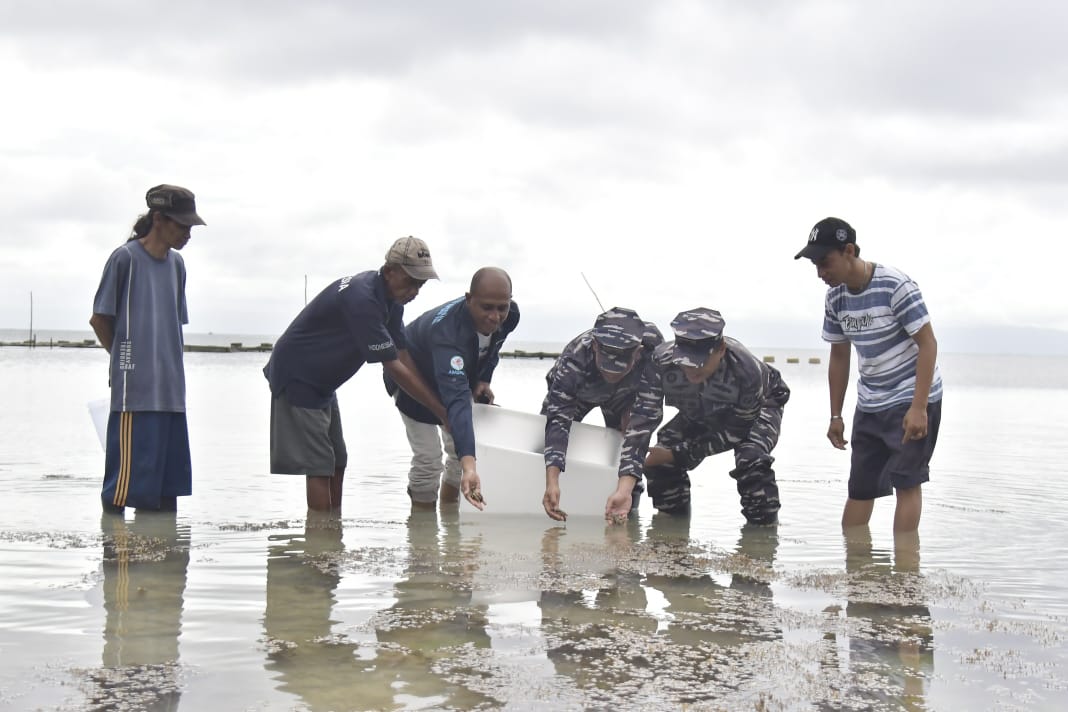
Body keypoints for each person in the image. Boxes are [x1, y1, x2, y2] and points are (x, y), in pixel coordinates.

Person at [264, 237, 449, 513]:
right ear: (389, 272)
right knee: (318, 465)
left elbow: (403, 355)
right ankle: (320, 541)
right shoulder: (362, 298)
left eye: (420, 284)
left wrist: (439, 400)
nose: (415, 291)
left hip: (324, 383)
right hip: (298, 376)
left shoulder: (392, 300)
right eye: (411, 281)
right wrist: (441, 412)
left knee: (337, 459)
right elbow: (393, 367)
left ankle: (332, 531)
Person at [795, 217, 942, 533]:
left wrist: (918, 408)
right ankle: (854, 570)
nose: (821, 273)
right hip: (871, 401)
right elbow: (839, 356)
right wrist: (835, 415)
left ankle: (905, 574)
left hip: (911, 395)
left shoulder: (895, 286)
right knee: (860, 487)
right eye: (815, 266)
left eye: (825, 262)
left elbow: (928, 345)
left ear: (849, 251)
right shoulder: (836, 298)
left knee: (906, 482)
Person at [608, 308, 790, 526]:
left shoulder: (747, 372)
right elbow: (642, 423)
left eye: (700, 362)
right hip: (701, 406)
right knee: (658, 459)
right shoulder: (660, 362)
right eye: (685, 361)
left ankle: (762, 537)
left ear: (720, 349)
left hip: (759, 406)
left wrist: (676, 455)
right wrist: (625, 487)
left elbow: (735, 433)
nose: (691, 370)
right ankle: (673, 531)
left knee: (751, 458)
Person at [89, 184, 206, 514]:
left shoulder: (177, 265)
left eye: (190, 227)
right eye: (182, 225)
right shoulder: (124, 259)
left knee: (167, 495)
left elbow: (173, 324)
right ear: (158, 218)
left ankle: (166, 565)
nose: (187, 233)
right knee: (122, 491)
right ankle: (115, 556)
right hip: (134, 394)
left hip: (171, 394)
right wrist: (125, 363)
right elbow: (100, 319)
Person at [386, 267, 519, 509]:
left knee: (460, 456)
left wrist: (483, 380)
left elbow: (494, 345)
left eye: (502, 307)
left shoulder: (510, 316)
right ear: (469, 299)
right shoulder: (448, 333)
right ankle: (422, 533)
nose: (495, 316)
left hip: (451, 377)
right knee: (429, 459)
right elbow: (457, 402)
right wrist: (471, 466)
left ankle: (450, 525)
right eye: (487, 307)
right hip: (412, 379)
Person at [541, 307, 663, 521]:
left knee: (627, 444)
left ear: (638, 351)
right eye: (607, 366)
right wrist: (553, 481)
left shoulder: (653, 351)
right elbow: (558, 420)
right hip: (578, 395)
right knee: (545, 445)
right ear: (595, 346)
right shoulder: (575, 358)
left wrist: (630, 413)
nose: (611, 373)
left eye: (620, 367)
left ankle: (627, 504)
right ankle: (550, 493)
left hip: (623, 397)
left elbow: (643, 425)